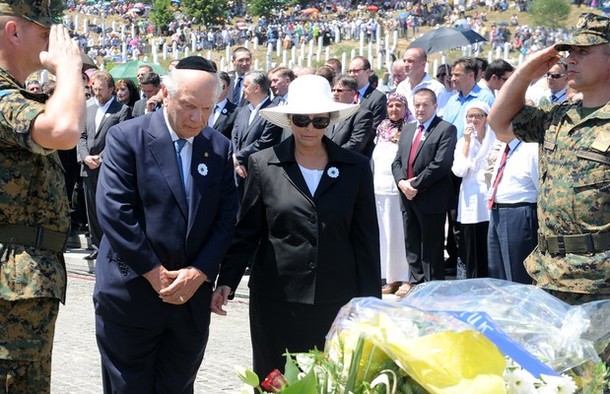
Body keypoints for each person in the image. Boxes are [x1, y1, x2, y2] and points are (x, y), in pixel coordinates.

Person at [211, 75, 381, 379]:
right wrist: (227, 280)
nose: (309, 128)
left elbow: (366, 238)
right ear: (289, 120)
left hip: (336, 297)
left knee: (330, 379)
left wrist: (371, 303)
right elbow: (248, 230)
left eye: (319, 121)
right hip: (276, 299)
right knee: (276, 379)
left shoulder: (354, 167)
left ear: (329, 120)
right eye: (302, 120)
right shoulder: (264, 164)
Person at [94, 56, 238, 392]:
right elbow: (116, 212)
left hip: (189, 299)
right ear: (165, 94)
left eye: (206, 109)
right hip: (131, 294)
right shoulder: (127, 138)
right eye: (189, 106)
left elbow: (225, 218)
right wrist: (156, 274)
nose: (197, 118)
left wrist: (199, 273)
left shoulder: (217, 146)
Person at [489, 13, 610, 304]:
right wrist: (525, 73)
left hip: (600, 284)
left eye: (583, 51)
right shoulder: (557, 116)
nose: (570, 59)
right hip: (549, 275)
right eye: (569, 52)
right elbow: (500, 123)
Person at [0, 4, 85, 392]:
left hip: (21, 281)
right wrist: (68, 72)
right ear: (13, 31)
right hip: (11, 283)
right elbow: (64, 129)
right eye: (44, 31)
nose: (54, 43)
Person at [392, 88, 457, 283]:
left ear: (435, 106)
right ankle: (415, 283)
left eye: (425, 105)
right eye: (417, 105)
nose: (420, 109)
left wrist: (416, 186)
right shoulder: (408, 129)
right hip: (407, 196)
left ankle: (432, 287)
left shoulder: (445, 129)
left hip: (430, 197)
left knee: (431, 248)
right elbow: (397, 162)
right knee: (411, 244)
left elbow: (441, 164)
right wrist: (402, 183)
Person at [77, 71, 132, 260]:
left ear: (111, 89)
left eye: (100, 89)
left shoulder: (122, 110)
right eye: (94, 88)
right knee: (91, 207)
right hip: (88, 167)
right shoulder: (88, 107)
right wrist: (85, 157)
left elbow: (121, 139)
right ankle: (97, 245)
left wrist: (101, 158)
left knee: (108, 207)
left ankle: (112, 246)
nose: (96, 92)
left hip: (108, 166)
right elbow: (81, 136)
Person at [450, 101, 496, 278]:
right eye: (470, 116)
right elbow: (459, 170)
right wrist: (467, 143)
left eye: (478, 116)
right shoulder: (463, 141)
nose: (474, 120)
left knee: (488, 244)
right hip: (470, 199)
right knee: (471, 245)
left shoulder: (495, 138)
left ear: (486, 118)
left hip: (489, 197)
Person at [373, 93, 412, 297]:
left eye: (398, 105)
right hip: (379, 188)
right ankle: (391, 278)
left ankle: (406, 278)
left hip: (398, 189)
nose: (394, 109)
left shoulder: (410, 128)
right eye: (390, 105)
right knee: (385, 235)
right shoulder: (381, 128)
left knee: (399, 234)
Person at [327, 74, 375, 157]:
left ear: (353, 93)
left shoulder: (363, 115)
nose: (335, 94)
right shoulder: (330, 113)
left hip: (347, 163)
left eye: (339, 91)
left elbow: (355, 143)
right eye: (333, 90)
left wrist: (332, 154)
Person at [347, 55, 387, 129]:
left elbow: (375, 127)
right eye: (349, 71)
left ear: (367, 72)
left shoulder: (378, 98)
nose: (351, 74)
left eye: (356, 71)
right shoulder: (345, 94)